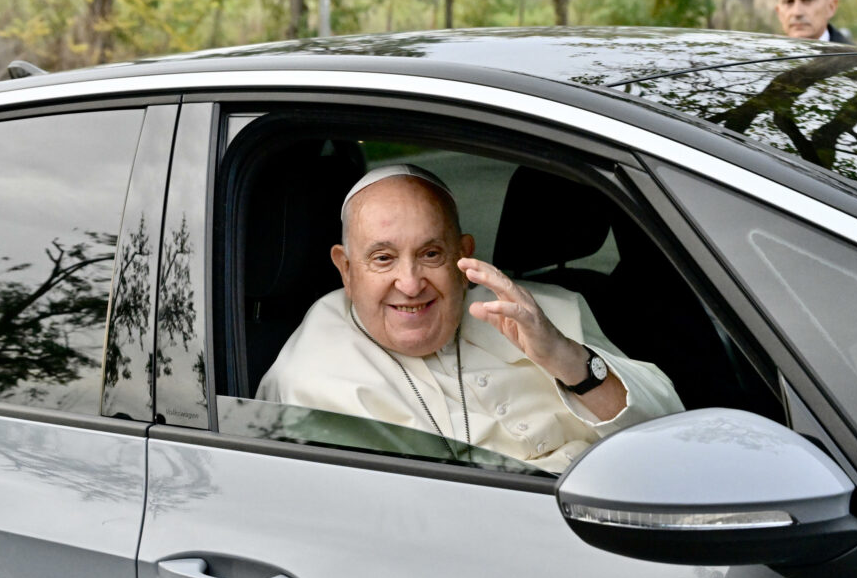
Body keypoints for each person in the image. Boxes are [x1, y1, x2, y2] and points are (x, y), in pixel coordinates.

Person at [256, 164, 683, 473]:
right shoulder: (308, 378)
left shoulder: (541, 310)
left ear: (463, 253)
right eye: (383, 259)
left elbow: (673, 435)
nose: (410, 283)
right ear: (346, 270)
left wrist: (566, 359)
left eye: (430, 254)